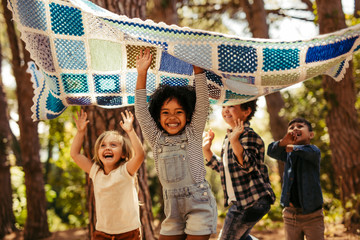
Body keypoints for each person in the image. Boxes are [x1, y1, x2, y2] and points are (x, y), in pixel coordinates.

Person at [134, 48, 217, 240]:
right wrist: (142, 73)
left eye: (178, 112)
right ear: (157, 116)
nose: (172, 117)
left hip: (199, 204)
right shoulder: (155, 139)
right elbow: (140, 111)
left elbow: (203, 103)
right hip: (171, 210)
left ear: (188, 116)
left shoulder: (193, 132)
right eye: (165, 112)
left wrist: (198, 71)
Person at [202, 101, 275, 240]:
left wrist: (235, 141)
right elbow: (224, 168)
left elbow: (247, 165)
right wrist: (207, 151)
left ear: (246, 111)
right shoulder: (230, 137)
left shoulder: (249, 135)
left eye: (231, 106)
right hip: (244, 202)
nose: (226, 110)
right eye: (223, 107)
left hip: (251, 201)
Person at [70, 109, 144, 240]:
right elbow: (75, 154)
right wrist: (80, 132)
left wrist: (130, 131)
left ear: (123, 154)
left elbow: (140, 155)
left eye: (113, 145)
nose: (107, 148)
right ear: (98, 153)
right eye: (102, 145)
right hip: (102, 233)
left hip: (128, 232)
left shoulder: (125, 171)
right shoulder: (96, 172)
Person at [267, 117, 324, 240]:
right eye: (291, 127)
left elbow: (308, 151)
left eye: (300, 126)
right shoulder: (288, 154)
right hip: (290, 215)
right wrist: (283, 142)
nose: (295, 129)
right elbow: (271, 151)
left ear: (311, 135)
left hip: (313, 216)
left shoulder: (314, 151)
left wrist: (293, 147)